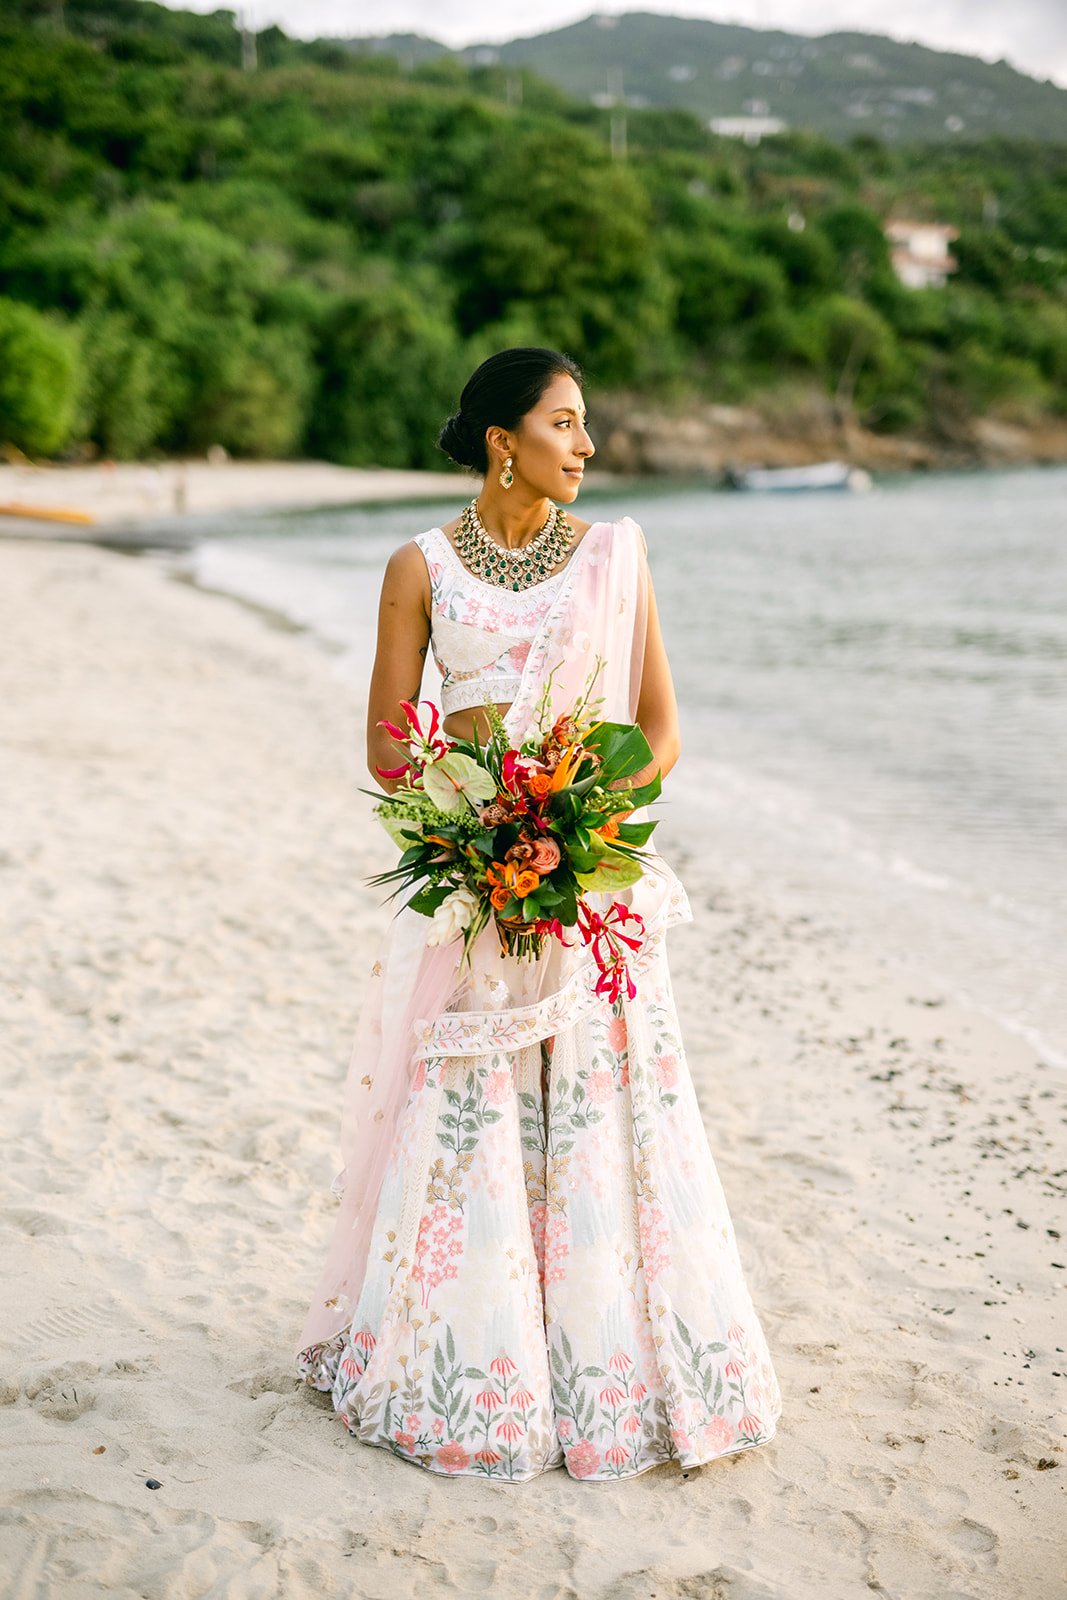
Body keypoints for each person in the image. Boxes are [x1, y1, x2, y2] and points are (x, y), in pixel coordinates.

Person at [294, 346, 782, 1482]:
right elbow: (385, 738)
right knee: (475, 1116)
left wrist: (571, 816)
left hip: (585, 881)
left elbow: (660, 733)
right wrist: (480, 823)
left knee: (600, 1119)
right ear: (501, 439)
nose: (589, 445)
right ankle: (473, 1359)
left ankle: (607, 1369)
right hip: (475, 884)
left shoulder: (615, 555)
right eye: (565, 423)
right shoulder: (417, 567)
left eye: (586, 423)